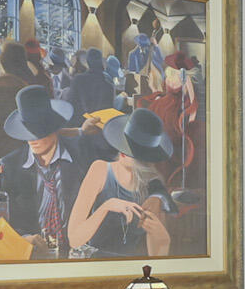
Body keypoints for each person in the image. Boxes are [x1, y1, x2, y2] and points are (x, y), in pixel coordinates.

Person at [72, 105, 178, 258]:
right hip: (93, 261)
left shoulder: (154, 189)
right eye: (125, 142)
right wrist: (107, 206)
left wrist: (163, 241)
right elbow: (74, 239)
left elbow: (156, 258)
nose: (123, 150)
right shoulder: (100, 169)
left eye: (132, 149)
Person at [0, 84, 85, 257]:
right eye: (26, 132)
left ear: (54, 129)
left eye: (38, 132)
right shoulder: (10, 166)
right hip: (31, 257)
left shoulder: (81, 157)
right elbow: (0, 222)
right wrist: (23, 238)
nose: (31, 139)